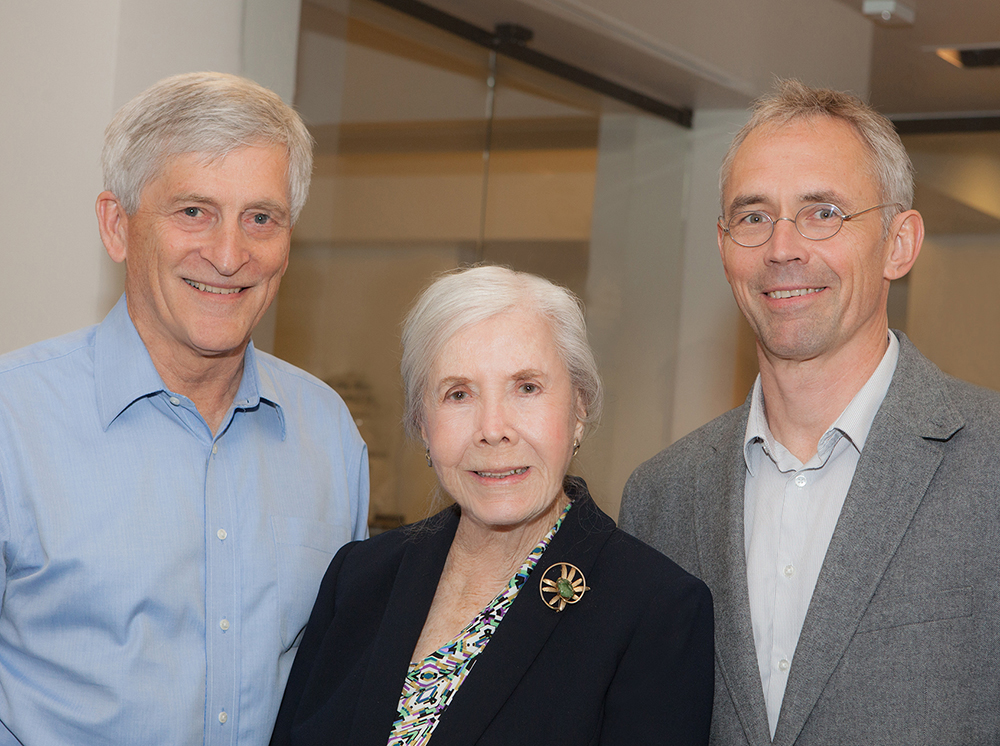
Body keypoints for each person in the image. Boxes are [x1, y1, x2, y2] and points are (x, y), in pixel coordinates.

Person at [620, 78, 1000, 746]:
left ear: (899, 243)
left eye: (823, 212)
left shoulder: (990, 466)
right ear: (724, 245)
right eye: (754, 216)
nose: (782, 248)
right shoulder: (661, 498)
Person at [0, 72, 369, 745]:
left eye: (261, 217)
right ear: (118, 226)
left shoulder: (329, 436)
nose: (229, 256)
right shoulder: (12, 423)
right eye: (194, 211)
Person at [270, 265, 714, 746]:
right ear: (423, 422)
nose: (493, 427)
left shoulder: (656, 610)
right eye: (458, 394)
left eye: (526, 387)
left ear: (579, 409)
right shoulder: (358, 579)